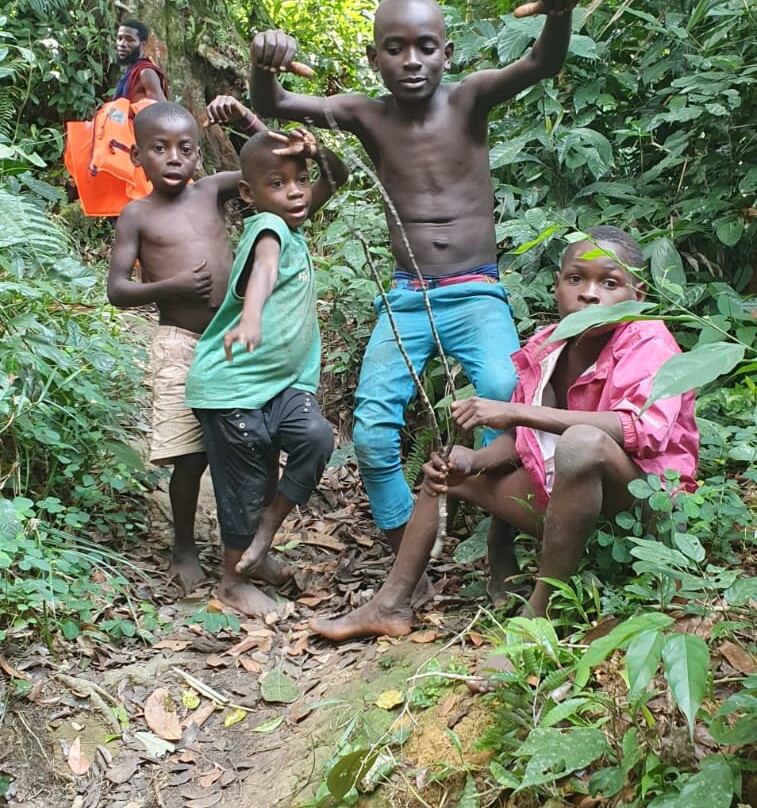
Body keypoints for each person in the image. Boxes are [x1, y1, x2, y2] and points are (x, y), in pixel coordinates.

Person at [250, 0, 577, 571]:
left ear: (447, 53)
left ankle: (501, 540)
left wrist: (558, 14)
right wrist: (264, 62)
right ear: (375, 58)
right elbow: (272, 102)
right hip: (407, 297)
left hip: (477, 291)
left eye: (426, 46)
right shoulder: (367, 115)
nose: (411, 60)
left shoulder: (471, 97)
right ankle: (409, 556)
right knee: (373, 430)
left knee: (505, 398)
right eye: (395, 48)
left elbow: (540, 63)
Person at [309, 226, 700, 640]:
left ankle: (537, 619)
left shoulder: (649, 341)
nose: (589, 294)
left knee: (583, 443)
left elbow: (640, 430)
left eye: (609, 282)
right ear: (557, 286)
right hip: (567, 501)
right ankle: (390, 604)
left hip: (643, 506)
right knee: (447, 475)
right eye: (576, 279)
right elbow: (527, 442)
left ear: (635, 295)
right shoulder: (547, 345)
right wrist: (474, 461)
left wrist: (517, 410)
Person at [184, 128, 349, 616]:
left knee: (317, 438)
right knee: (245, 483)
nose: (296, 191)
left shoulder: (293, 222)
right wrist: (251, 315)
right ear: (248, 195)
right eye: (278, 184)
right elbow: (265, 269)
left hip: (281, 386)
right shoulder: (268, 229)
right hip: (231, 387)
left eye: (301, 180)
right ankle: (233, 582)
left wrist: (321, 153)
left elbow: (335, 179)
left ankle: (263, 536)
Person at [107, 99, 266, 591]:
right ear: (139, 158)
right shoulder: (136, 215)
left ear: (199, 156)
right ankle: (183, 546)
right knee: (189, 454)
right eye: (160, 148)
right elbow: (117, 291)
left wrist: (248, 122)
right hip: (178, 341)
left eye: (185, 148)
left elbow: (267, 166)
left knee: (243, 445)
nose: (174, 158)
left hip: (230, 340)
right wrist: (167, 288)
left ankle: (247, 545)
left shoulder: (213, 191)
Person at [114, 19, 168, 104]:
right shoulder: (130, 71)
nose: (122, 44)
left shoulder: (146, 72)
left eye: (129, 39)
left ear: (143, 45)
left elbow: (160, 108)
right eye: (119, 38)